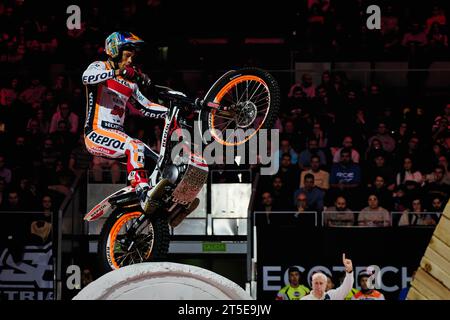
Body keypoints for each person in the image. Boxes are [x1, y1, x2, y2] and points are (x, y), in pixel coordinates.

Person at [82, 31, 168, 212]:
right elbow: (86, 78)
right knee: (135, 146)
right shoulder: (100, 66)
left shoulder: (130, 84)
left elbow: (146, 107)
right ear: (114, 51)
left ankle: (169, 201)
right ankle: (142, 192)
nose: (130, 61)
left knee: (159, 161)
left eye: (132, 57)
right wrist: (117, 72)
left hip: (118, 135)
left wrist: (172, 112)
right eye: (127, 55)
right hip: (96, 132)